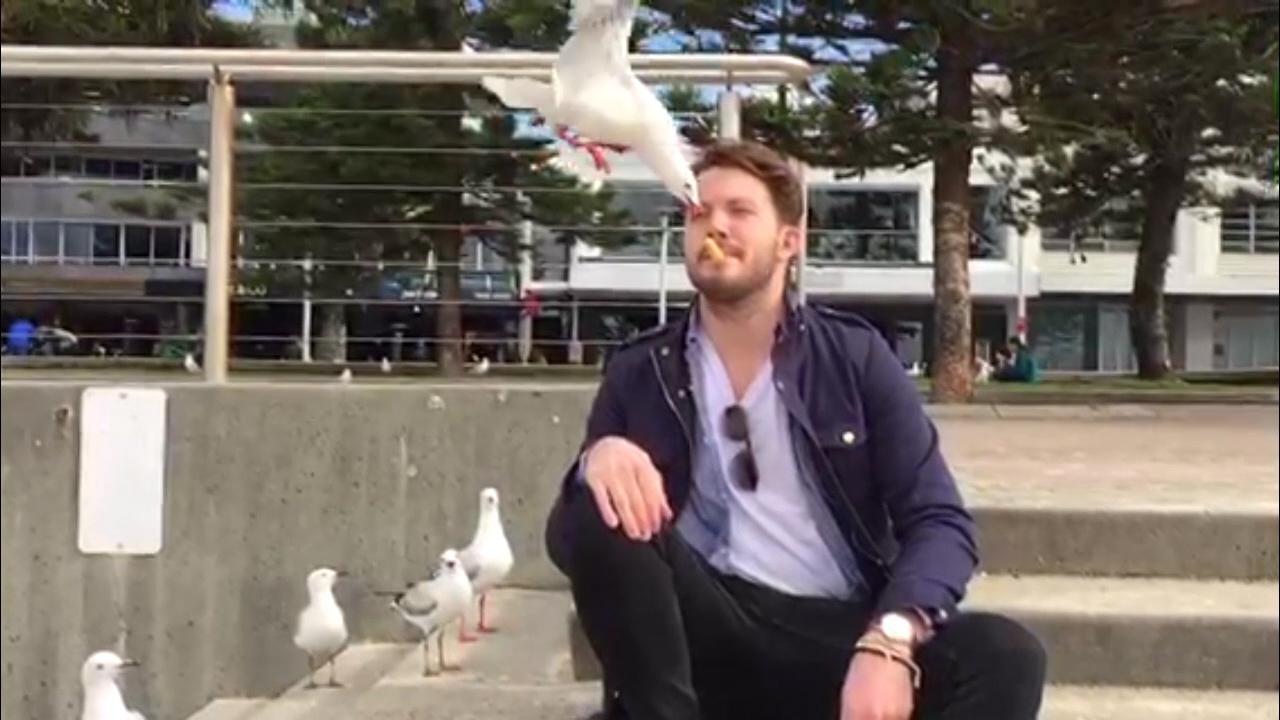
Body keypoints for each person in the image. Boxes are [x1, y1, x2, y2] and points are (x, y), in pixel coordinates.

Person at [545, 140, 1046, 720]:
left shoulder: (855, 359)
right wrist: (596, 461)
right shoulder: (640, 370)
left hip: (833, 635)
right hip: (703, 634)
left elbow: (941, 524)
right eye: (698, 211)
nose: (714, 225)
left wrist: (890, 637)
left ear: (789, 241)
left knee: (1007, 656)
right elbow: (572, 544)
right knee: (601, 504)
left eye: (739, 210)